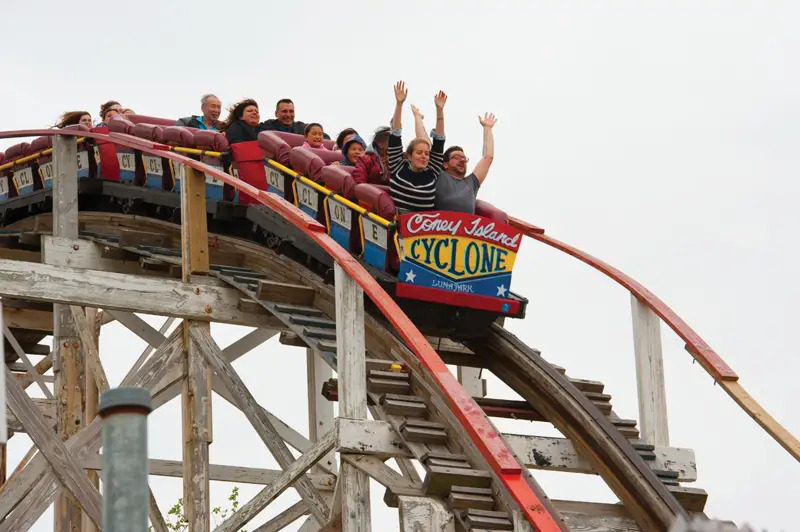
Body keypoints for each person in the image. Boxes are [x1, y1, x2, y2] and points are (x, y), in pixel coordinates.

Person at [387, 81, 446, 213]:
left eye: (426, 153)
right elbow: (395, 135)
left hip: (421, 228)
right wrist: (399, 104)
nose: (424, 156)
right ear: (409, 156)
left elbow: (439, 141)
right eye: (419, 153)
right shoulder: (397, 166)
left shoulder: (432, 172)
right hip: (396, 225)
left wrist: (439, 110)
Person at [435, 113, 497, 214]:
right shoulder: (439, 175)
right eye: (457, 157)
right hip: (436, 226)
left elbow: (488, 157)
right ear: (445, 164)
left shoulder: (471, 183)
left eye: (464, 158)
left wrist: (487, 128)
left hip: (464, 228)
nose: (462, 160)